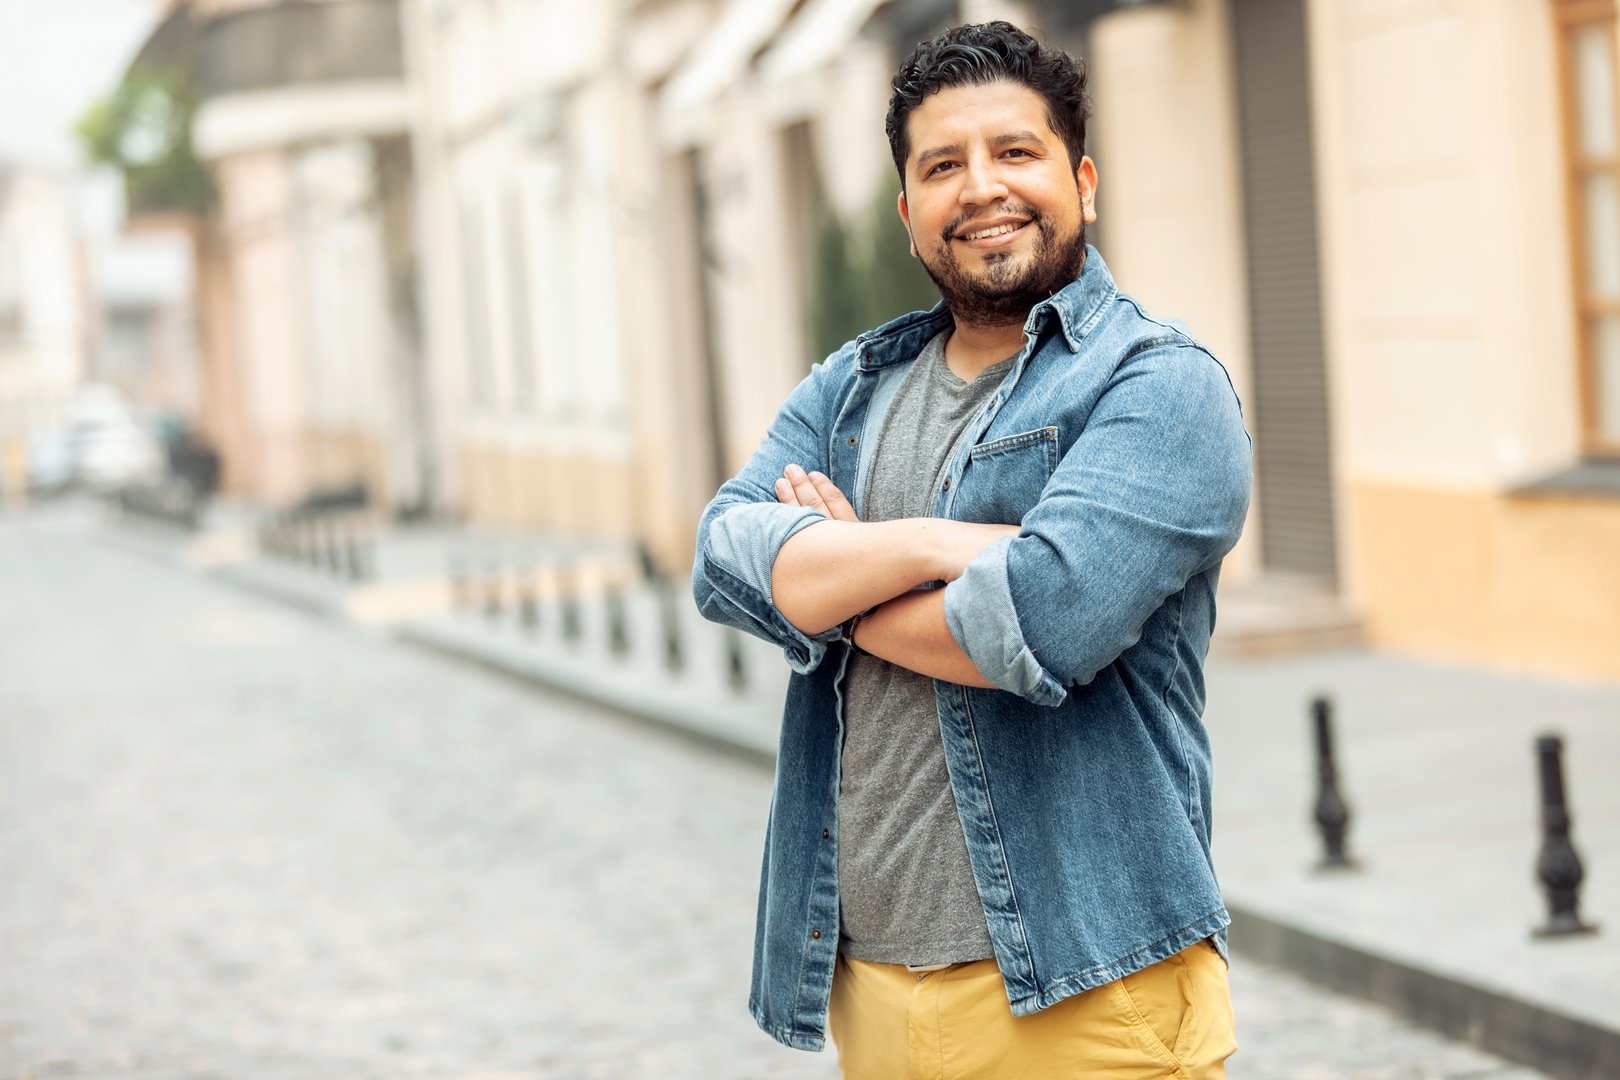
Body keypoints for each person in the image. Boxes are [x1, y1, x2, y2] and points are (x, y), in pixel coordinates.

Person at [692, 21, 1251, 1078]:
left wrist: (834, 576)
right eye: (942, 166)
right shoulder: (854, 390)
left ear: (1083, 179)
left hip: (1089, 995)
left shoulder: (1161, 389)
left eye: (1016, 152)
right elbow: (726, 554)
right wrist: (937, 544)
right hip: (873, 997)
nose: (981, 186)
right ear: (908, 213)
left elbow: (1039, 624)